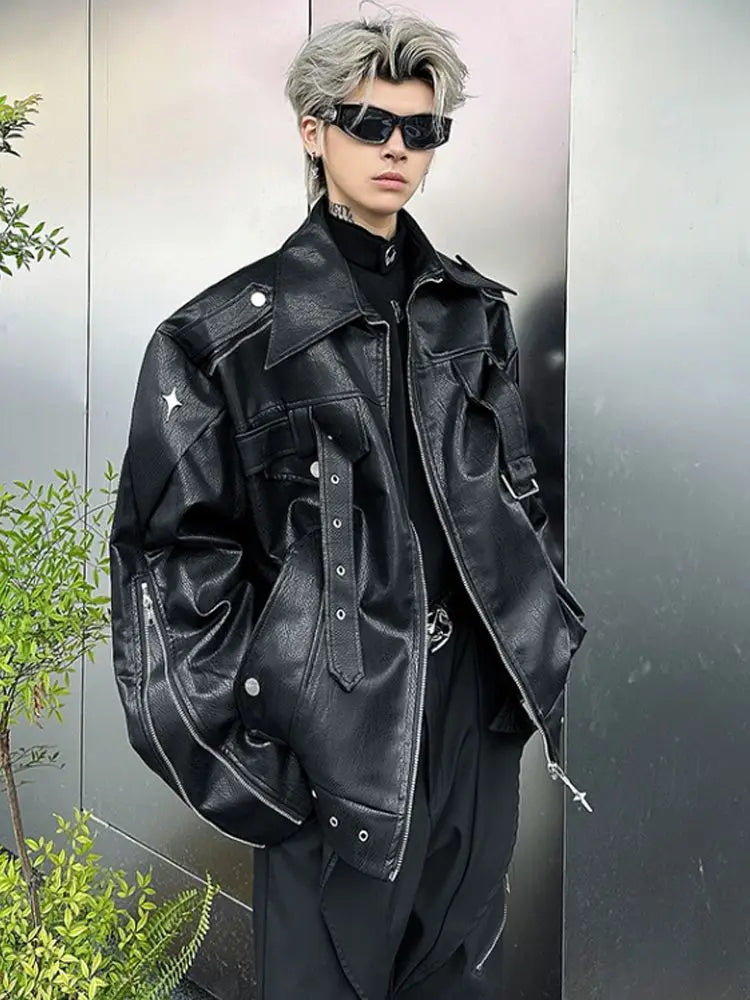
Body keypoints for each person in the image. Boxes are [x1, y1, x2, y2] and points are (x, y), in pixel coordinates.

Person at [108, 5, 589, 997]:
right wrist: (261, 777)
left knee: (455, 981)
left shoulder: (473, 314)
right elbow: (169, 572)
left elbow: (520, 498)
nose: (396, 148)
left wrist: (519, 681)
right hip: (334, 749)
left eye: (422, 128)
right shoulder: (220, 343)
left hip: (470, 729)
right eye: (369, 123)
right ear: (312, 129)